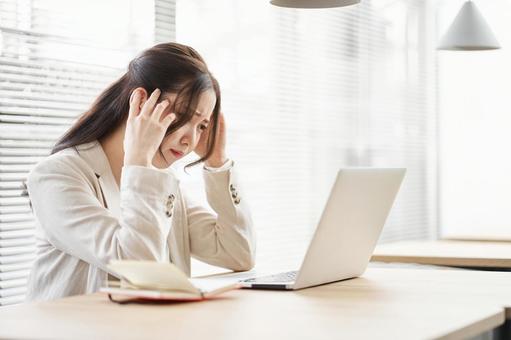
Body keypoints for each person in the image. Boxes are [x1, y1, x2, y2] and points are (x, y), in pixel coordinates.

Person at [24, 42, 256, 301]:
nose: (190, 139)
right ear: (142, 102)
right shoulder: (57, 176)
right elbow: (141, 269)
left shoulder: (163, 186)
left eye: (201, 125)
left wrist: (217, 162)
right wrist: (138, 162)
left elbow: (238, 253)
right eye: (182, 114)